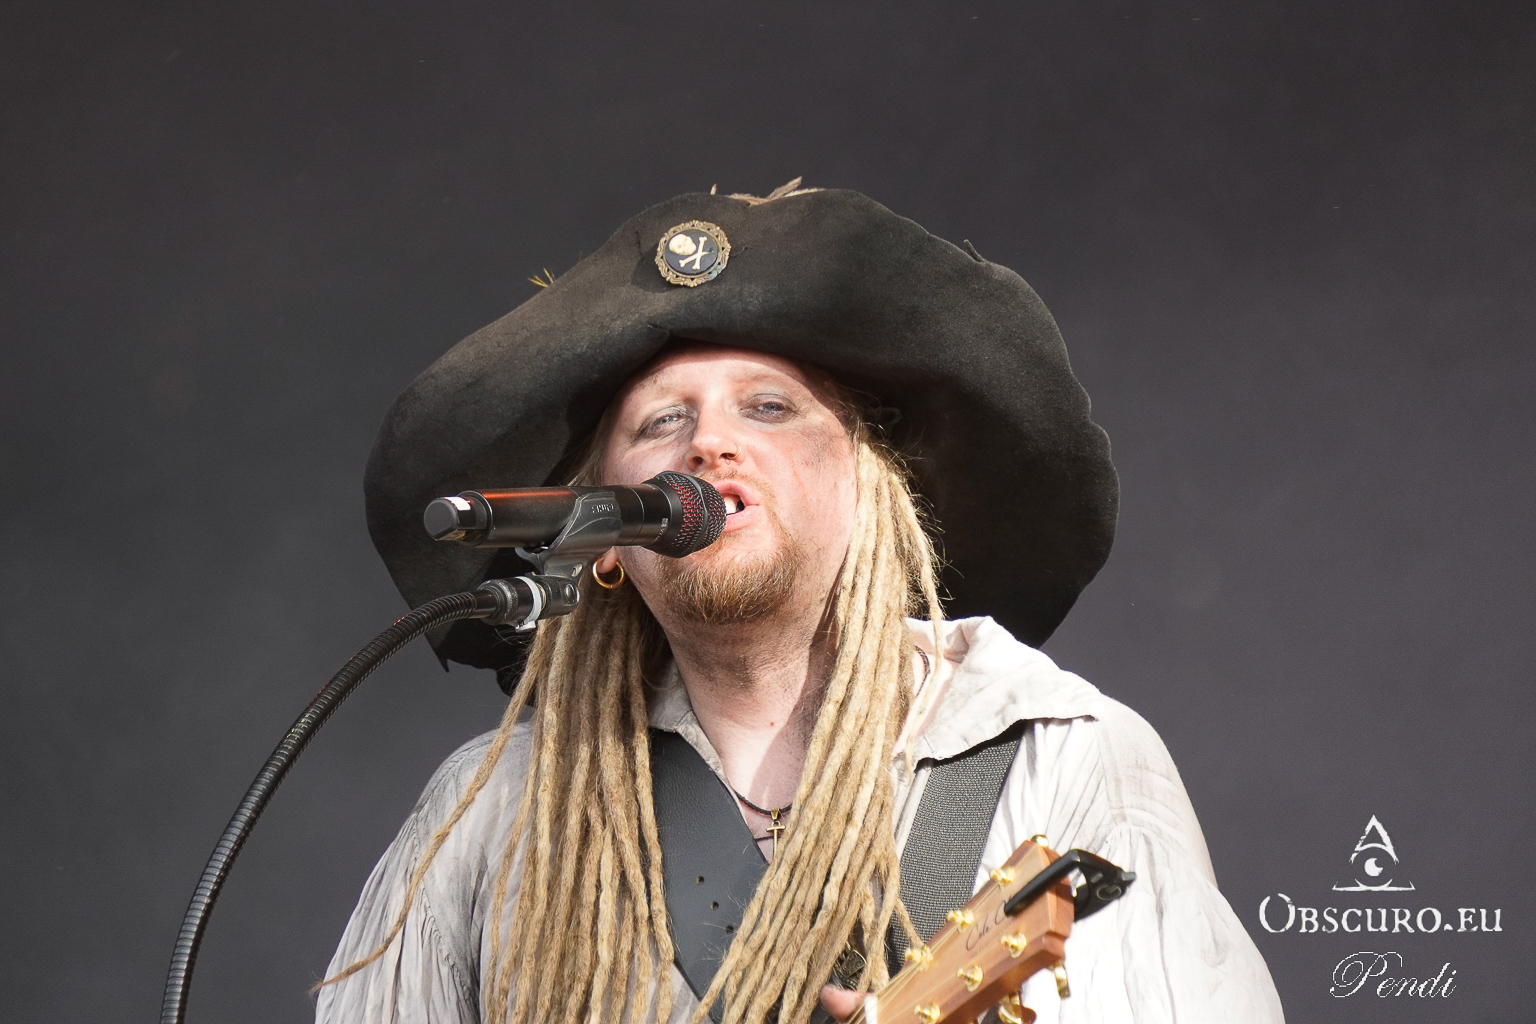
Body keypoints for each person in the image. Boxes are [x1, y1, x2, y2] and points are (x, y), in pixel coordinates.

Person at [317, 182, 1284, 1024]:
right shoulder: (499, 807)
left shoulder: (1061, 754)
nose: (707, 444)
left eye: (768, 407)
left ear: (868, 488)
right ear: (602, 541)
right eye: (661, 422)